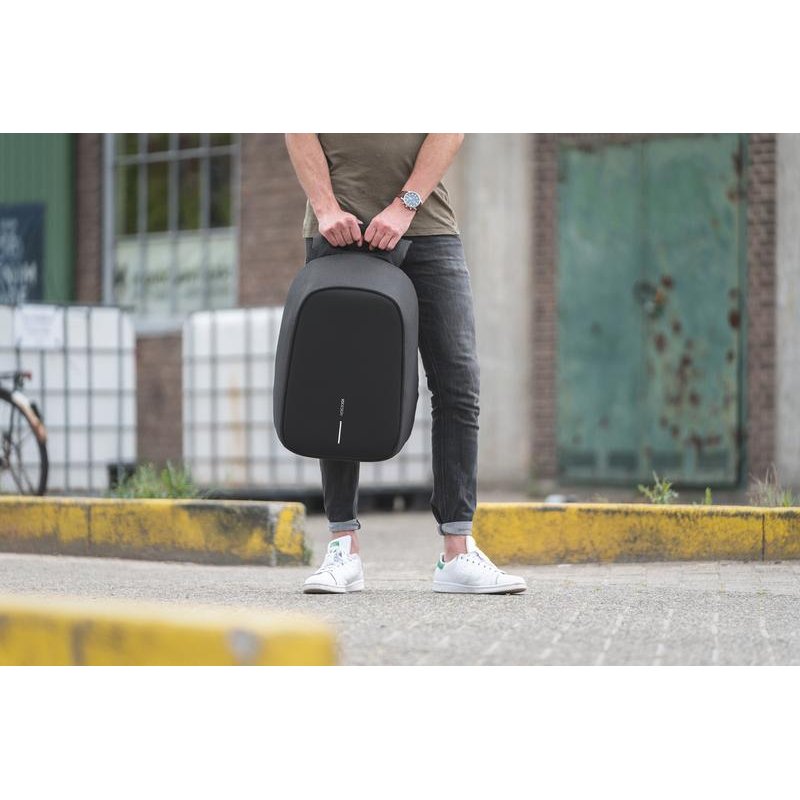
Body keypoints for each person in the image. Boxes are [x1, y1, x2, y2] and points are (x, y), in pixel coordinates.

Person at [285, 134, 526, 595]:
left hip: (428, 228)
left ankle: (458, 553)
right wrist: (325, 207)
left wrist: (405, 205)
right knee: (339, 389)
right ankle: (343, 548)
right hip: (339, 229)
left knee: (458, 383)